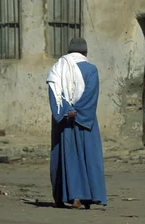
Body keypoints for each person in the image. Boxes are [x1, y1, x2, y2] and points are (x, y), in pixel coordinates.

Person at [46, 37, 107, 209]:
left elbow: (54, 93)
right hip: (85, 121)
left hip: (63, 122)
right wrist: (79, 112)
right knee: (88, 156)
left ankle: (69, 197)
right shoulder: (91, 69)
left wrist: (66, 111)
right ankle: (88, 197)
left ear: (68, 51)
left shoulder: (57, 69)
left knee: (67, 158)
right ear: (85, 52)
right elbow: (91, 94)